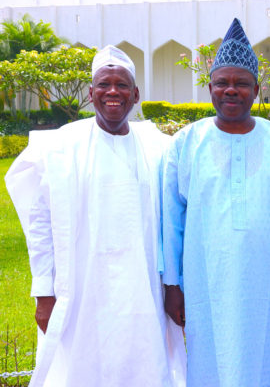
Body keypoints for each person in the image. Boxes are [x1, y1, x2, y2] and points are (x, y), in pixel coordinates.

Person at [5, 45, 186, 387]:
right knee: (81, 367)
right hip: (82, 286)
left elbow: (176, 221)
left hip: (142, 287)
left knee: (144, 364)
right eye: (104, 84)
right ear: (90, 94)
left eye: (121, 85)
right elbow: (39, 222)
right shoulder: (60, 147)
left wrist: (174, 286)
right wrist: (44, 292)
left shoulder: (158, 147)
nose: (112, 92)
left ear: (135, 95)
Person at [161, 18, 270, 387]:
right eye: (223, 83)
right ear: (209, 87)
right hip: (207, 283)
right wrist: (172, 285)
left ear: (257, 89)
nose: (231, 90)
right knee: (210, 366)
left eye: (241, 83)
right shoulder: (187, 143)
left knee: (267, 363)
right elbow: (171, 220)